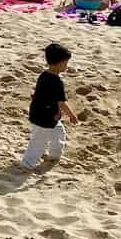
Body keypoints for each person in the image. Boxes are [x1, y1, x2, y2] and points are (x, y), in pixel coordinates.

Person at [21, 42, 76, 171]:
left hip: (42, 115)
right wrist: (72, 115)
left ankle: (54, 156)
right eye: (65, 63)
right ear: (57, 63)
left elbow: (37, 94)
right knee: (38, 142)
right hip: (44, 118)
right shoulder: (57, 82)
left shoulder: (43, 75)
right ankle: (27, 164)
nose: (66, 67)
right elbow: (61, 103)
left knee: (58, 134)